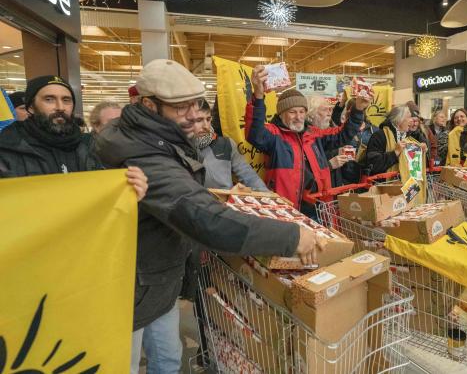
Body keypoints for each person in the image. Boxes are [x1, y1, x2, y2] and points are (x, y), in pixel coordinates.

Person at [94, 60, 322, 374]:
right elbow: (204, 218)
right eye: (180, 107)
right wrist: (292, 236)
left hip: (157, 278)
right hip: (133, 282)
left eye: (196, 105)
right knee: (126, 365)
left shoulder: (156, 135)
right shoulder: (143, 151)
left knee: (169, 359)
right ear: (148, 105)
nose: (192, 116)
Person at [246, 67, 370, 217]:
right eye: (292, 112)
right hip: (287, 211)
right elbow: (255, 133)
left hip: (318, 209)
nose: (298, 117)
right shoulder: (274, 135)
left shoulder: (313, 134)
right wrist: (258, 96)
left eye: (302, 111)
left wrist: (358, 109)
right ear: (281, 114)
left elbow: (343, 134)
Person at [0, 75, 145, 200]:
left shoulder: (88, 146)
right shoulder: (8, 146)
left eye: (66, 100)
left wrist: (129, 191)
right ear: (31, 107)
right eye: (49, 99)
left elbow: (100, 195)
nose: (60, 107)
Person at [193, 99, 268, 191]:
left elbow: (249, 175)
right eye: (199, 120)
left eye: (208, 119)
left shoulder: (226, 144)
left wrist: (267, 195)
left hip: (223, 203)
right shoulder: (177, 148)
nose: (206, 126)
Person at [330, 94, 379, 184]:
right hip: (344, 177)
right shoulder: (344, 130)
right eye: (349, 109)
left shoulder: (374, 131)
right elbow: (334, 119)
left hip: (365, 176)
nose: (349, 111)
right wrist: (341, 104)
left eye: (353, 109)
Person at [365, 105, 414, 175]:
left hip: (405, 183)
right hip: (384, 184)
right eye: (409, 117)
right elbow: (373, 165)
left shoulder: (409, 137)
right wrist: (395, 153)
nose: (412, 120)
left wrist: (421, 151)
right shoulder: (379, 136)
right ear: (399, 119)